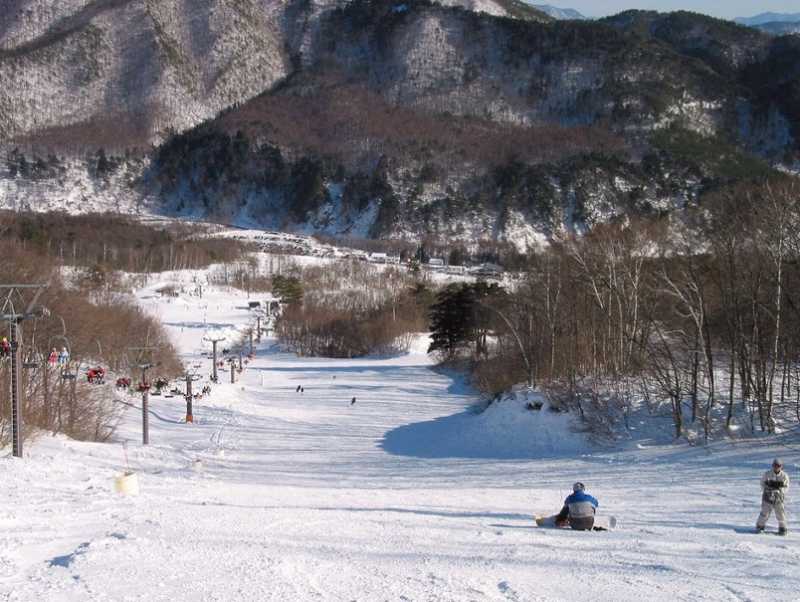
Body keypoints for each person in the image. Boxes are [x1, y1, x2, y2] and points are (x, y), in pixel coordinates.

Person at [756, 458, 790, 535]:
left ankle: (782, 528)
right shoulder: (767, 474)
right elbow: (762, 483)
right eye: (775, 465)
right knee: (765, 512)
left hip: (778, 498)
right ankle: (760, 526)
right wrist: (767, 489)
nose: (776, 467)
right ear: (772, 465)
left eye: (778, 466)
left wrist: (780, 491)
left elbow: (786, 487)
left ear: (781, 466)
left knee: (780, 513)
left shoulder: (784, 476)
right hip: (767, 497)